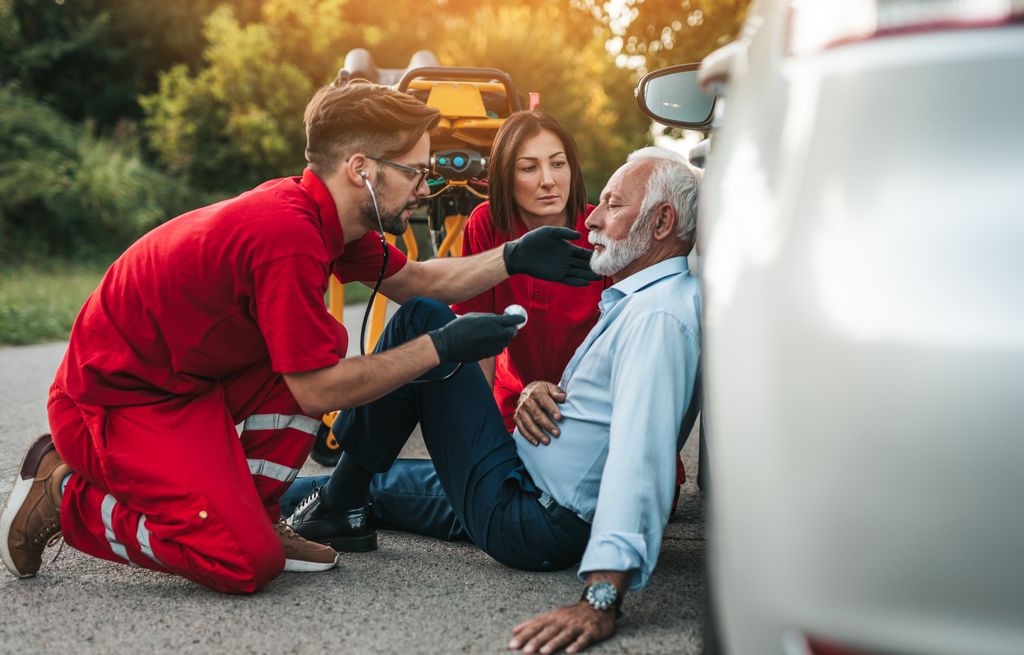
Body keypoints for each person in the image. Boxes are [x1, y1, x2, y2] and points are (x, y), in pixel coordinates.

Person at [0, 79, 600, 594]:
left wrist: (517, 255)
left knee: (319, 345)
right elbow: (316, 392)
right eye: (414, 171)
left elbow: (418, 279)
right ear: (361, 169)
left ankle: (262, 514)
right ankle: (66, 495)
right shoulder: (285, 237)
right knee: (242, 562)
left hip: (185, 382)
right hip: (116, 399)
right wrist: (441, 347)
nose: (425, 188)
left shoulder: (329, 218)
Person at [283, 149, 701, 653]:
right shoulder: (647, 302)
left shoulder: (659, 319)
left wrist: (601, 597)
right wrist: (531, 389)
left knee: (422, 318)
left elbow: (642, 456)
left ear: (661, 222)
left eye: (612, 205)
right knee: (367, 485)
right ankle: (273, 500)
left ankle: (338, 504)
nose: (591, 216)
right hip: (521, 480)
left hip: (533, 517)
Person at [451, 111, 686, 501]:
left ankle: (336, 495)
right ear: (506, 177)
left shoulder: (608, 227)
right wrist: (481, 445)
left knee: (637, 500)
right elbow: (477, 348)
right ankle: (339, 496)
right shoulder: (487, 226)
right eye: (529, 167)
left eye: (558, 164)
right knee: (463, 494)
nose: (548, 180)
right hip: (519, 413)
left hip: (599, 417)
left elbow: (638, 351)